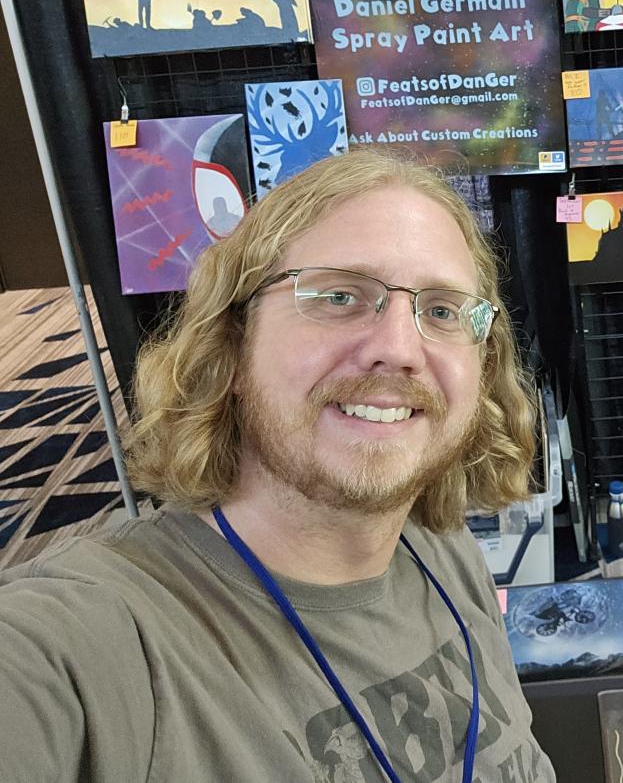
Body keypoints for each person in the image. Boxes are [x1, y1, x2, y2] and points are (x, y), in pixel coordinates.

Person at [0, 149, 556, 781]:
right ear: (233, 345)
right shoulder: (94, 645)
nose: (400, 349)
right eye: (340, 295)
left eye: (442, 311)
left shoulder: (444, 551)